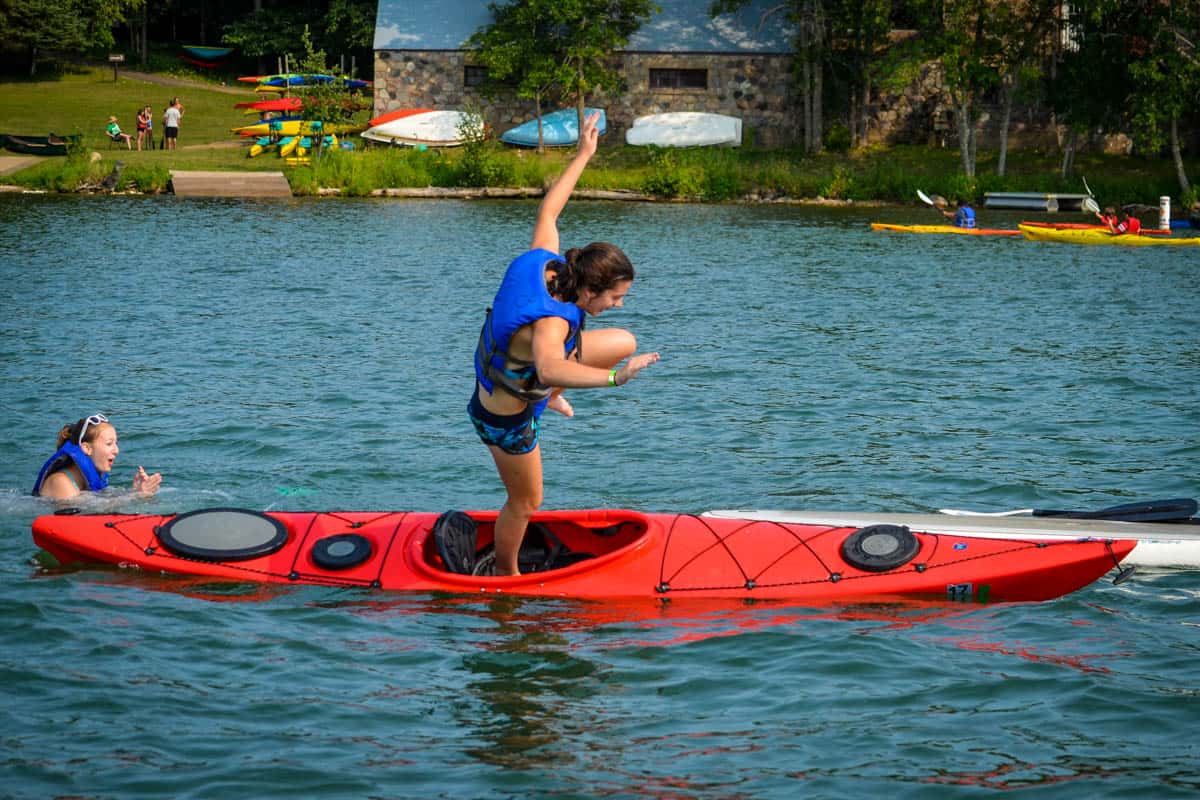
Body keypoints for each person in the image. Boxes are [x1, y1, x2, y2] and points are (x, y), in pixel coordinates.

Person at [469, 111, 660, 577]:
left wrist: (584, 154)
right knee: (527, 500)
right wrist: (617, 377)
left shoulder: (548, 263)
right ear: (589, 291)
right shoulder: (552, 324)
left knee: (622, 339)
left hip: (523, 373)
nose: (617, 304)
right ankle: (506, 576)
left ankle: (550, 400)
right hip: (502, 418)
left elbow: (549, 210)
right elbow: (552, 366)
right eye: (614, 297)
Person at [32, 413, 162, 500]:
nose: (116, 450)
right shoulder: (60, 482)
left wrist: (135, 490)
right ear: (87, 448)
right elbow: (88, 510)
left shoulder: (86, 480)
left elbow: (101, 501)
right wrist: (137, 495)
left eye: (116, 443)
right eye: (109, 444)